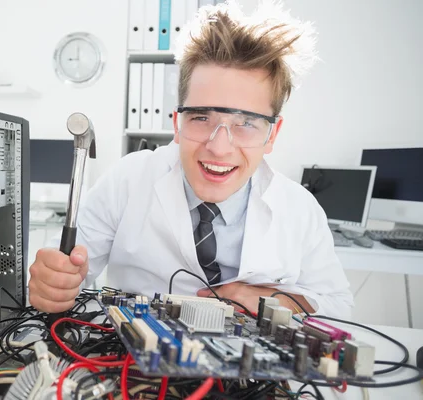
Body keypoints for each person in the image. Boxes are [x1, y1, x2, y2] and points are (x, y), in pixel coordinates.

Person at [29, 1, 354, 319]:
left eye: (246, 123)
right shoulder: (128, 180)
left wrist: (272, 300)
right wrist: (54, 285)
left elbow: (338, 305)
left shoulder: (299, 207)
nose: (220, 147)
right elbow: (69, 276)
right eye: (201, 117)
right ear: (177, 123)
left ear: (272, 134)